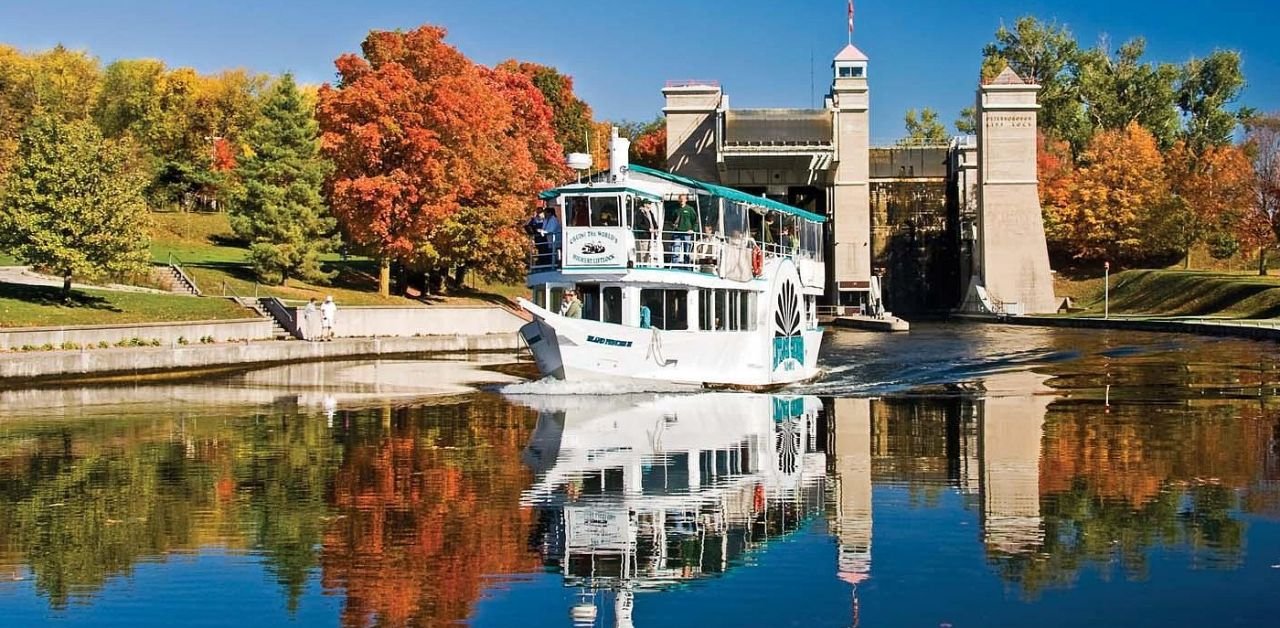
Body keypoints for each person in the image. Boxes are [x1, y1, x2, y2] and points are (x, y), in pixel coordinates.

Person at [670, 194, 698, 265]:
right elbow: (672, 220)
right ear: (679, 200)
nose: (682, 200)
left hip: (687, 233)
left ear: (686, 200)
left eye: (684, 199)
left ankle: (686, 266)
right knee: (676, 250)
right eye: (681, 199)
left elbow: (695, 221)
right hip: (677, 233)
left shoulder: (690, 209)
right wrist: (673, 225)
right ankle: (674, 266)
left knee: (687, 251)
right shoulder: (676, 210)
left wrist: (693, 230)